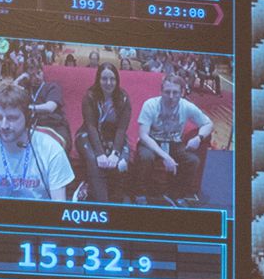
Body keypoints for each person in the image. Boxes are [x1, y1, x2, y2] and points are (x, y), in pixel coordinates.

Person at [0, 81, 74, 200]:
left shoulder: (51, 150)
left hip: (41, 214)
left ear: (28, 117)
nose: (4, 125)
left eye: (12, 118)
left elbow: (59, 209)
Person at [135, 75, 213, 206]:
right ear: (161, 92)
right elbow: (143, 135)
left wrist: (198, 138)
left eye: (175, 92)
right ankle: (140, 193)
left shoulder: (186, 106)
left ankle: (177, 194)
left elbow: (208, 124)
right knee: (146, 157)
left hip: (174, 142)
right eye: (167, 92)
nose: (171, 96)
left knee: (193, 161)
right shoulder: (150, 105)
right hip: (151, 142)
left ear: (182, 92)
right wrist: (165, 156)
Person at [77, 63, 134, 203]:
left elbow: (121, 129)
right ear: (98, 79)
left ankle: (116, 200)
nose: (108, 83)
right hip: (88, 135)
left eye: (112, 79)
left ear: (117, 80)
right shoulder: (89, 96)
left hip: (114, 136)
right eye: (104, 79)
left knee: (122, 163)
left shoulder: (124, 98)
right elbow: (91, 127)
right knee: (94, 160)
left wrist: (115, 153)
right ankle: (103, 203)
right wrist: (100, 153)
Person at [13, 55, 69, 145]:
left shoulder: (52, 86)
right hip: (32, 126)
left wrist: (26, 108)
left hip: (53, 125)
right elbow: (9, 98)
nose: (37, 77)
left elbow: (49, 108)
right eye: (32, 75)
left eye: (39, 73)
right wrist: (19, 79)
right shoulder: (25, 89)